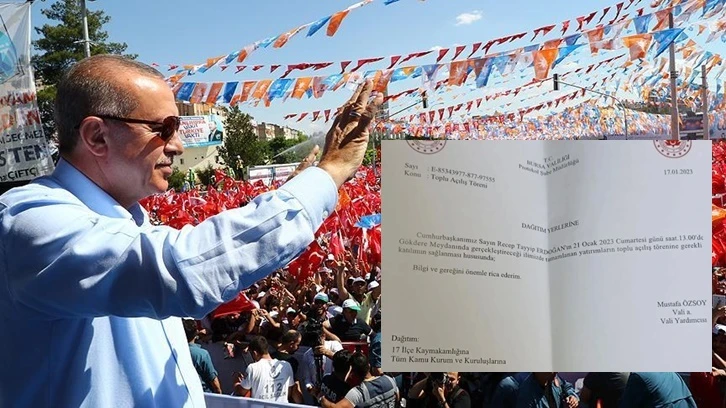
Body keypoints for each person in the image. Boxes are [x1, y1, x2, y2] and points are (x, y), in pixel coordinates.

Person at [0, 54, 381, 407]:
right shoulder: (30, 221)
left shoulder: (131, 223)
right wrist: (328, 174)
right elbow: (182, 269)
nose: (178, 146)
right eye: (164, 128)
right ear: (97, 136)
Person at [314, 352, 399, 408]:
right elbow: (397, 399)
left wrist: (321, 399)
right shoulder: (390, 380)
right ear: (368, 365)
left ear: (352, 373)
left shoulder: (357, 393)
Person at [234, 335, 299, 403]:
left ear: (255, 353)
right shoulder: (287, 365)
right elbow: (289, 392)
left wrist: (236, 382)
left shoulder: (253, 368)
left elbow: (241, 391)